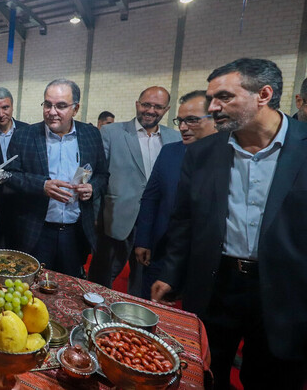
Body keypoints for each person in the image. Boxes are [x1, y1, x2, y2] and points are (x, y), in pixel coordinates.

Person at [152, 58, 307, 389]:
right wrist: (170, 274)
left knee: (273, 378)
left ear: (263, 94)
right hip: (215, 284)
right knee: (206, 373)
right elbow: (184, 221)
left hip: (285, 290)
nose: (213, 107)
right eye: (211, 98)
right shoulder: (203, 152)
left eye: (223, 97)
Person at [5, 79, 108, 277]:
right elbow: (9, 175)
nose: (52, 112)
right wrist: (41, 185)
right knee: (32, 290)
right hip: (36, 231)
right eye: (47, 104)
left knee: (69, 290)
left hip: (75, 231)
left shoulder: (91, 135)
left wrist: (93, 188)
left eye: (61, 106)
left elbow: (103, 175)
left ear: (75, 108)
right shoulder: (24, 135)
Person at [88, 86, 180, 296]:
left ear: (166, 110)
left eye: (157, 106)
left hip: (155, 224)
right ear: (137, 104)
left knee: (141, 285)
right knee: (101, 281)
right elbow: (98, 175)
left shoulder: (174, 139)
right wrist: (94, 215)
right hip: (115, 220)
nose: (150, 110)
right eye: (146, 104)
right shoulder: (112, 132)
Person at [133, 90, 216, 299]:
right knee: (150, 305)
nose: (183, 127)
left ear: (215, 119)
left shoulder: (229, 158)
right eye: (180, 120)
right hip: (162, 249)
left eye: (192, 120)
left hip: (204, 257)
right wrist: (143, 240)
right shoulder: (170, 152)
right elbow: (151, 198)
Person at [0, 87, 29, 247]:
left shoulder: (28, 131)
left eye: (5, 108)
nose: (1, 113)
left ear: (12, 106)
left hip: (21, 203)